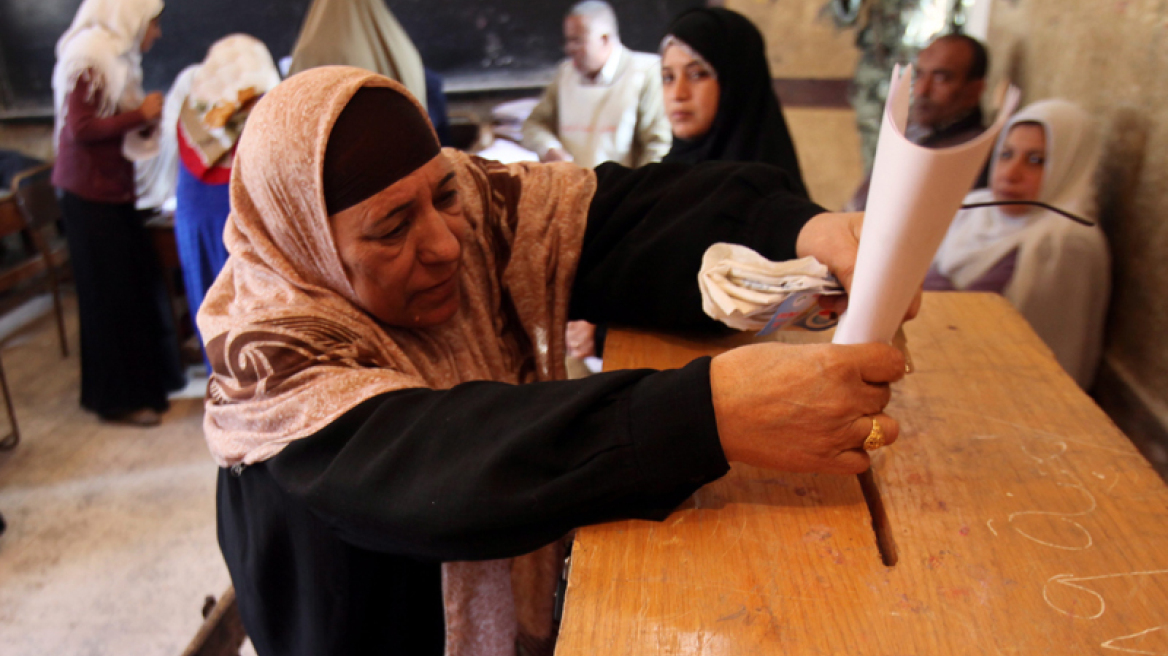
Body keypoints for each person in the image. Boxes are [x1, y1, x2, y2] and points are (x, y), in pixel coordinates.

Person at [203, 66, 909, 656]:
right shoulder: (270, 360)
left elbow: (616, 218)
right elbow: (441, 466)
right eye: (392, 228)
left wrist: (803, 233)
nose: (448, 243)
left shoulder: (471, 212)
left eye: (444, 192)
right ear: (306, 241)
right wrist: (713, 415)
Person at [51, 0, 185, 427]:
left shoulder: (116, 58)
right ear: (132, 16)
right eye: (154, 24)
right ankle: (116, 400)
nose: (156, 34)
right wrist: (139, 115)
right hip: (89, 198)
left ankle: (145, 385)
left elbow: (112, 124)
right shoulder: (90, 54)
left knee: (133, 289)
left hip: (111, 192)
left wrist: (143, 122)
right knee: (109, 299)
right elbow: (80, 127)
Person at [926, 99, 1109, 389]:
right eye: (1006, 154)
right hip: (929, 365)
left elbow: (1050, 350)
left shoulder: (1065, 241)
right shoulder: (972, 207)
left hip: (996, 387)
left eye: (1036, 161)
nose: (1011, 173)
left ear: (1069, 164)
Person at [174, 34, 281, 364]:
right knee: (255, 316)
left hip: (194, 222)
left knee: (212, 308)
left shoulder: (194, 115)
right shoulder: (264, 112)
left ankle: (222, 386)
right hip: (244, 226)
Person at [659, 7, 808, 197]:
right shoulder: (657, 186)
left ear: (737, 83)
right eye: (668, 77)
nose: (678, 94)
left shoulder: (769, 198)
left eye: (698, 74)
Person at [847, 33, 990, 211]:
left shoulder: (972, 152)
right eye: (920, 75)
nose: (922, 90)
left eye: (941, 78)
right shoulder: (913, 132)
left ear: (974, 90)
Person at [521, 0, 672, 168]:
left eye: (577, 41)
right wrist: (550, 149)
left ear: (604, 39)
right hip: (573, 188)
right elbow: (534, 124)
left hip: (624, 189)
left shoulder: (646, 72)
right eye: (568, 41)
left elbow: (658, 146)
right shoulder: (565, 73)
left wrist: (639, 189)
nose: (570, 48)